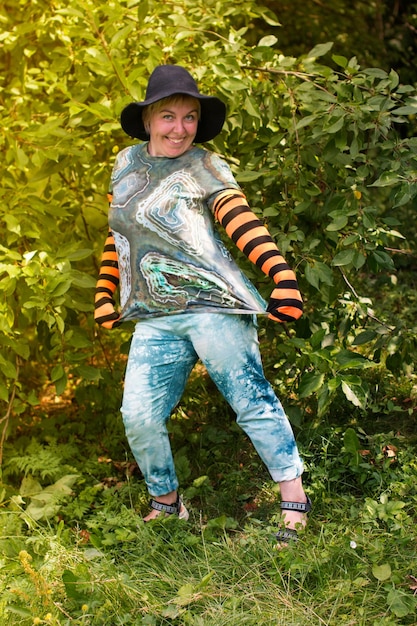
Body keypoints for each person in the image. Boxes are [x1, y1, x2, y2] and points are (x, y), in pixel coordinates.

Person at [94, 65, 311, 542]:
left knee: (250, 400)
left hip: (215, 305)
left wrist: (282, 275)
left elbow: (241, 220)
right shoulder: (125, 163)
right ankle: (167, 503)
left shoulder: (206, 165)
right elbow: (121, 233)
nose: (179, 128)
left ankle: (295, 499)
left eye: (189, 117)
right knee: (139, 415)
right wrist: (105, 289)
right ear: (149, 118)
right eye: (168, 116)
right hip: (154, 314)